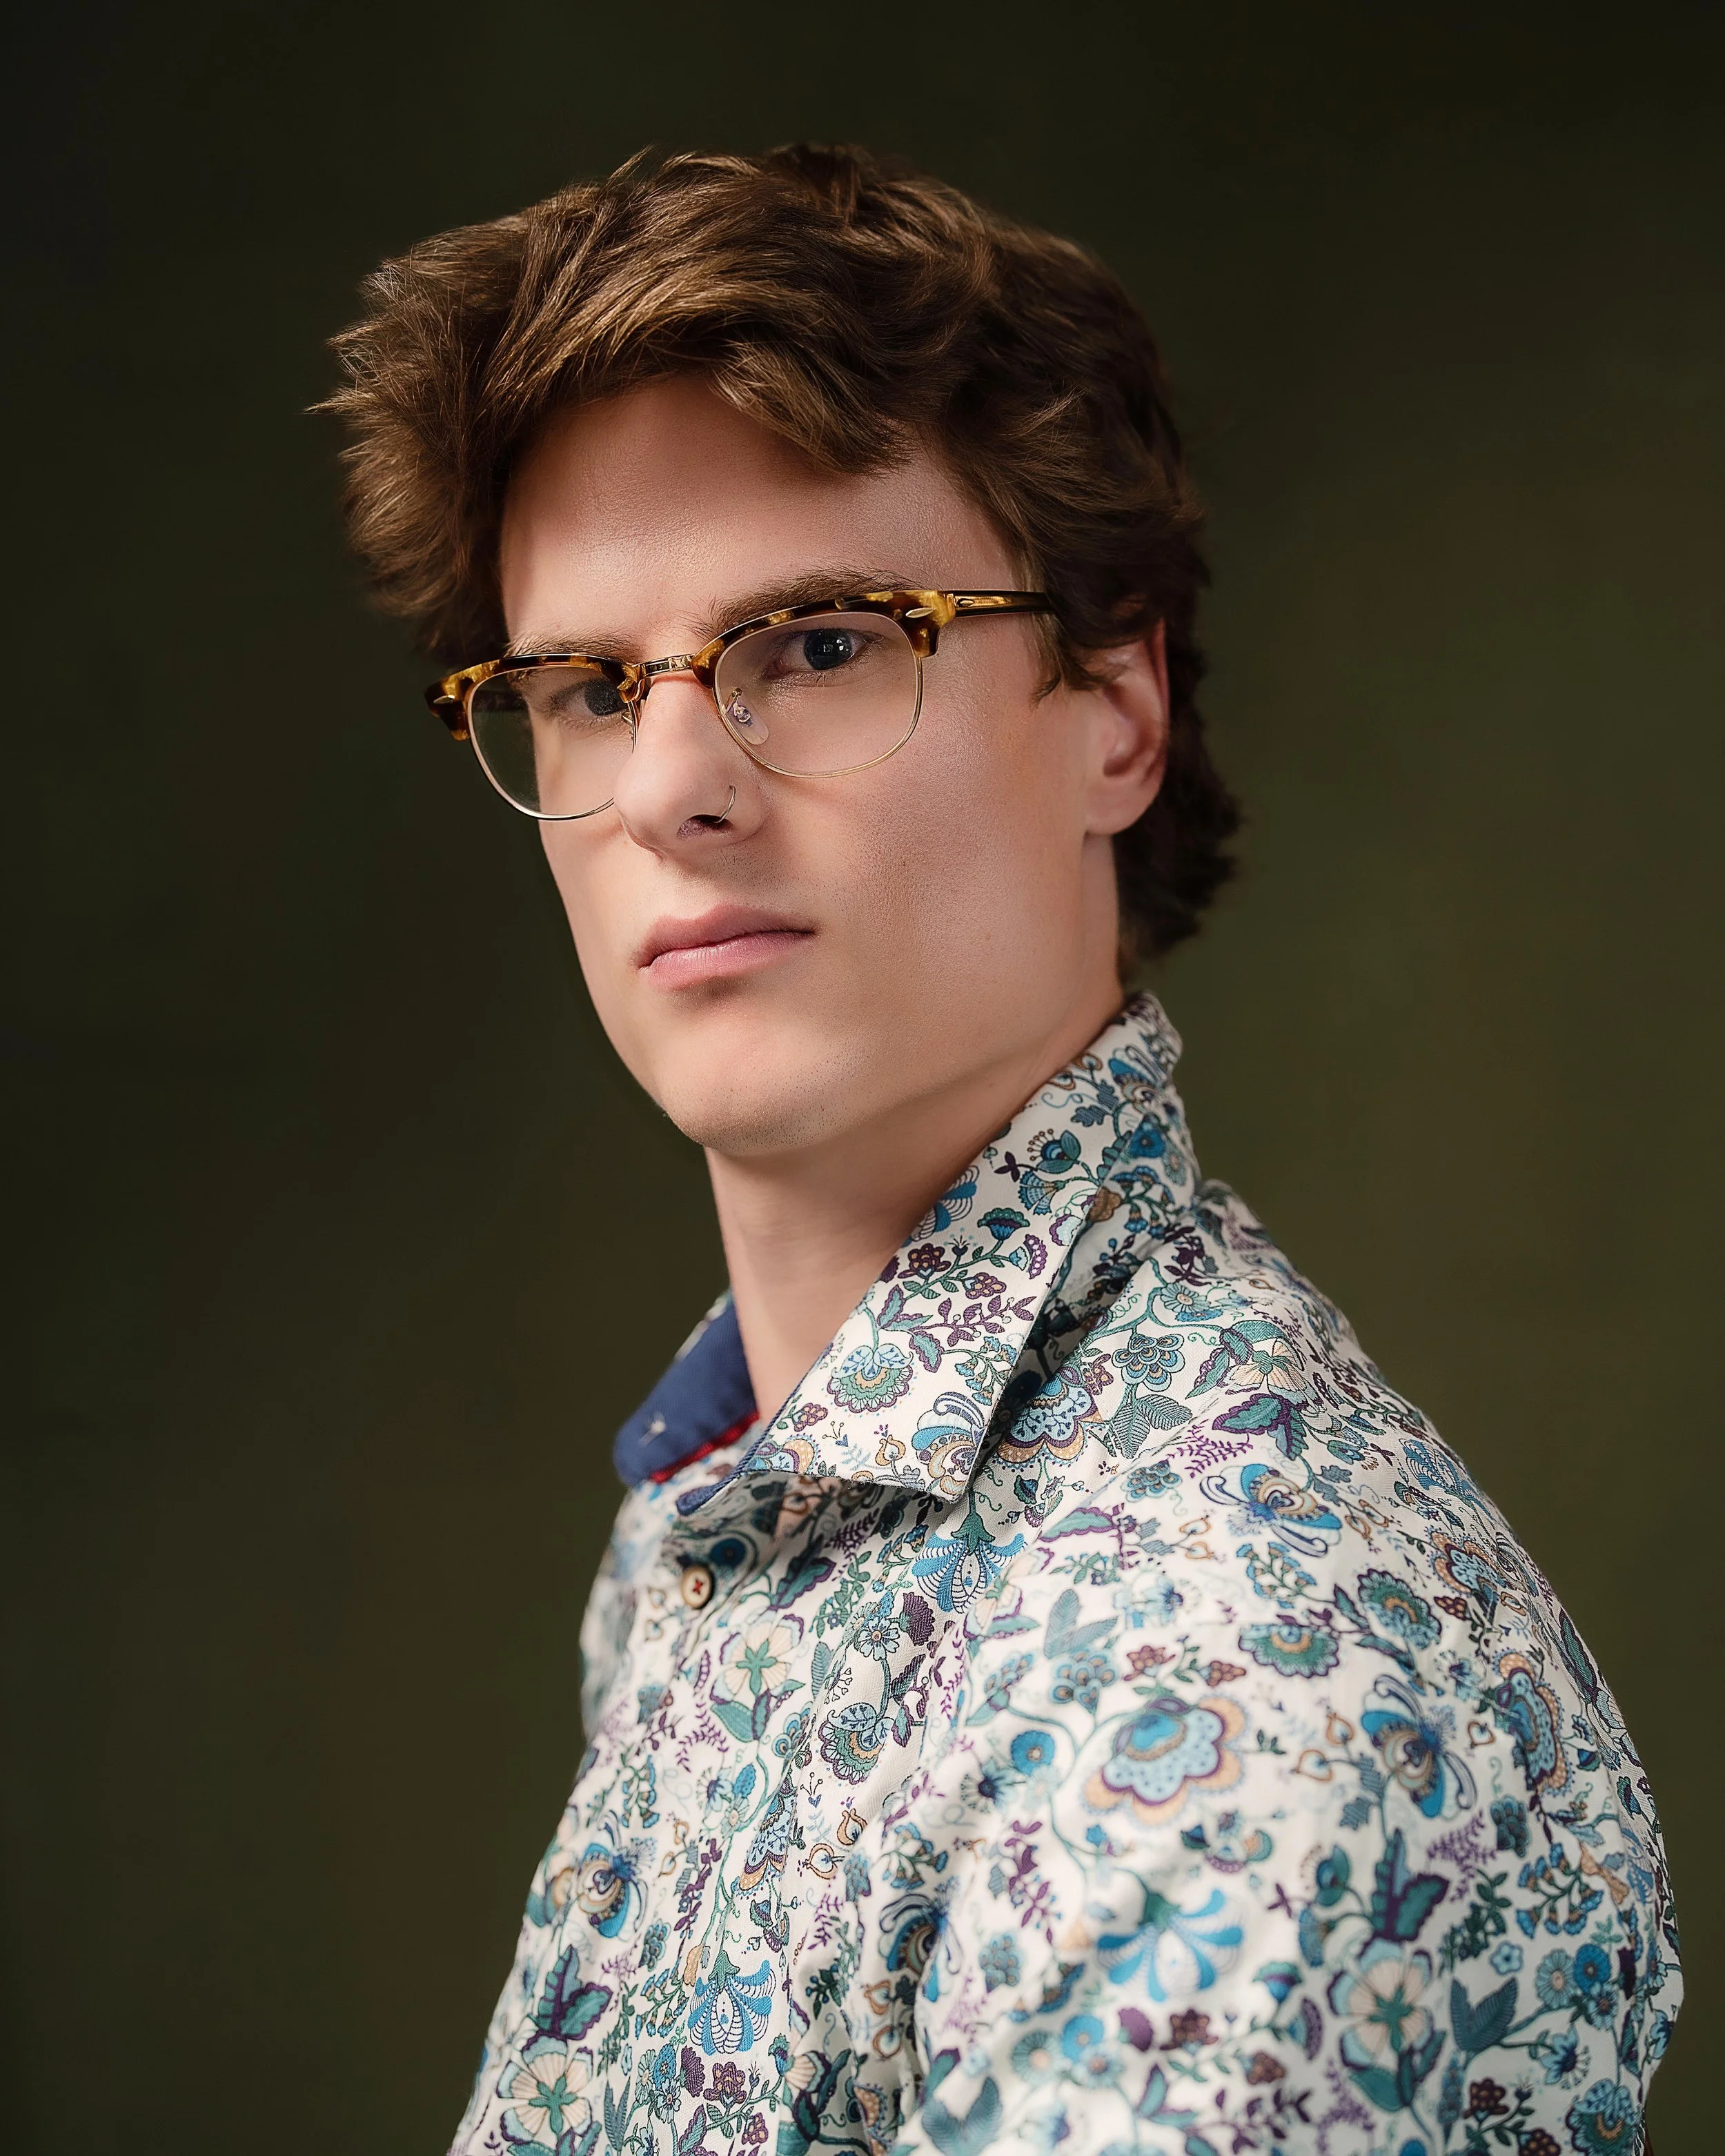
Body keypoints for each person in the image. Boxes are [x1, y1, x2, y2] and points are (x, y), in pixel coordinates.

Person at [326, 144, 1679, 2156]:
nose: (672, 784)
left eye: (823, 641)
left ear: (1112, 712)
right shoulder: (730, 1510)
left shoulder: (1219, 1674)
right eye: (589, 687)